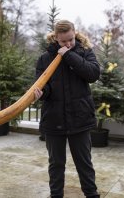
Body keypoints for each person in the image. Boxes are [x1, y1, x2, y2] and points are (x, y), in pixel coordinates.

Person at [34, 20, 100, 198]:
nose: (68, 44)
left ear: (75, 33)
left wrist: (68, 55)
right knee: (56, 164)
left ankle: (92, 195)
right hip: (54, 120)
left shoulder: (84, 51)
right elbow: (43, 86)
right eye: (63, 42)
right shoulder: (45, 58)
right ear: (56, 38)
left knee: (84, 163)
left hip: (80, 119)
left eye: (70, 39)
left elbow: (93, 74)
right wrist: (41, 93)